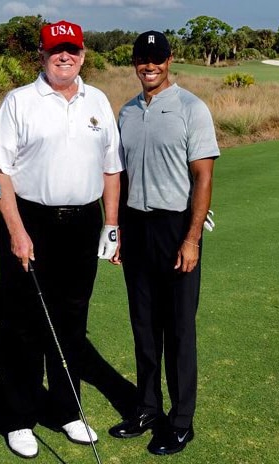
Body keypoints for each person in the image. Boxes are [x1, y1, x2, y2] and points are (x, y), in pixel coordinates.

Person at [0, 20, 123, 459]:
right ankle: (20, 418)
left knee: (71, 321)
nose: (64, 57)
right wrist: (16, 230)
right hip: (31, 219)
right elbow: (1, 171)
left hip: (84, 221)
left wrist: (111, 224)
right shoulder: (20, 102)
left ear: (83, 54)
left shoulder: (98, 100)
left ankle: (68, 411)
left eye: (72, 50)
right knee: (25, 323)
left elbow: (111, 169)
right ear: (42, 57)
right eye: (55, 51)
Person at [108, 31, 219, 456]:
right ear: (135, 63)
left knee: (179, 329)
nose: (148, 65)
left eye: (156, 58)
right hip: (137, 227)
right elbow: (117, 176)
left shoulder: (191, 108)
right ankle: (148, 408)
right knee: (143, 326)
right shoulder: (128, 111)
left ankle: (180, 420)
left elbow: (203, 176)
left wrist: (192, 239)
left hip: (177, 228)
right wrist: (114, 229)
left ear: (170, 60)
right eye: (142, 58)